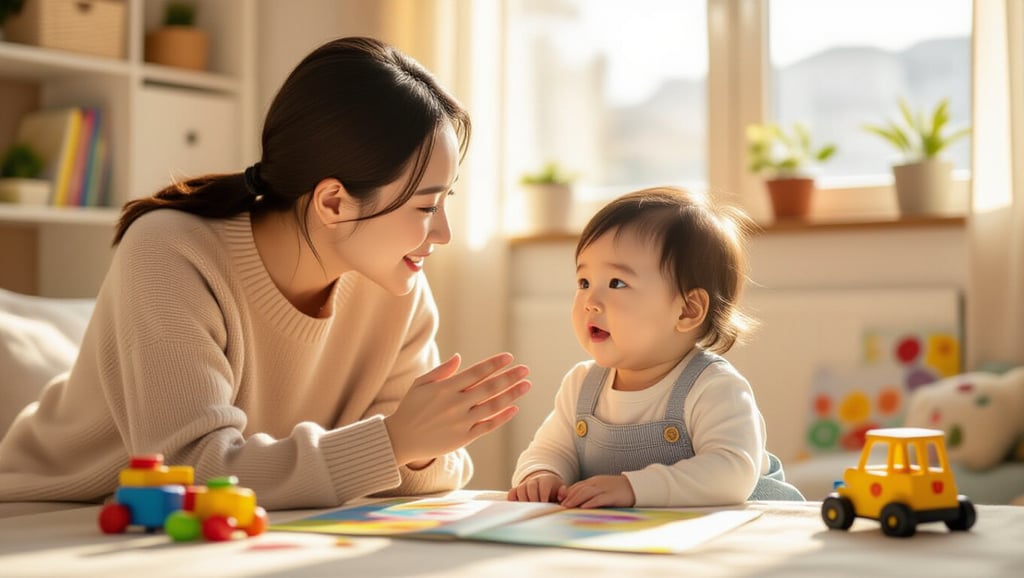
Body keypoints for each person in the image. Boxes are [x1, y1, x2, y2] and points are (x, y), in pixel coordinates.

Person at [0, 37, 531, 511]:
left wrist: (416, 447)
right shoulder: (170, 252)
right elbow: (193, 470)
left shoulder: (397, 285)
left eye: (446, 201)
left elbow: (426, 473)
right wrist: (395, 442)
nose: (443, 234)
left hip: (240, 520)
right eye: (425, 207)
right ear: (334, 202)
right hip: (62, 506)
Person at [507, 187, 802, 508]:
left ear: (687, 310)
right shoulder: (581, 387)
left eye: (617, 283)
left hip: (735, 534)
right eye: (584, 283)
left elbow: (732, 473)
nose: (590, 302)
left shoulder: (713, 386)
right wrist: (541, 475)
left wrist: (633, 488)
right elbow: (550, 450)